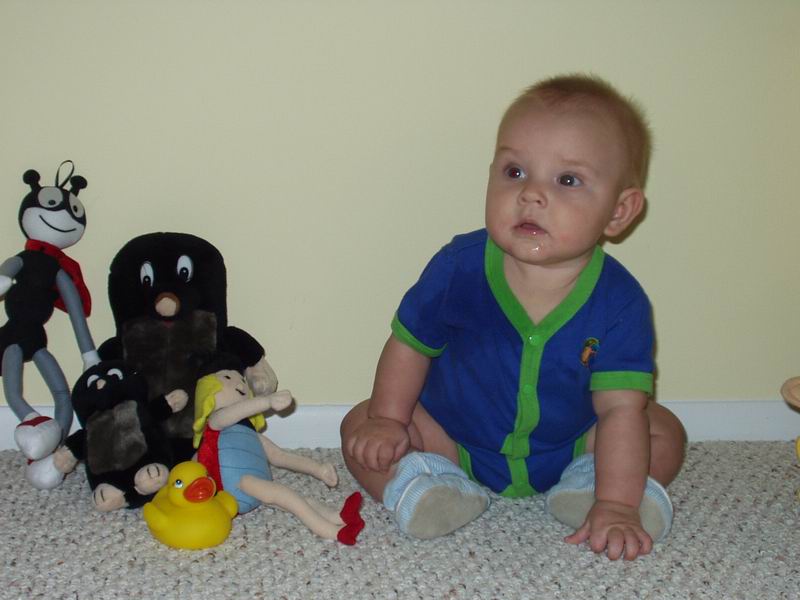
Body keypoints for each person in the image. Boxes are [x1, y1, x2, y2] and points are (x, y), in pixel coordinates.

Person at [340, 73, 687, 561]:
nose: (531, 194)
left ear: (618, 211)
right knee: (359, 424)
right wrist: (387, 420)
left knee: (662, 431)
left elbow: (618, 411)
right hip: (451, 440)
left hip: (575, 444)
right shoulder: (458, 267)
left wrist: (618, 502)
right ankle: (425, 486)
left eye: (567, 180)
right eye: (515, 171)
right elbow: (409, 345)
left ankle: (598, 489)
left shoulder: (620, 301)